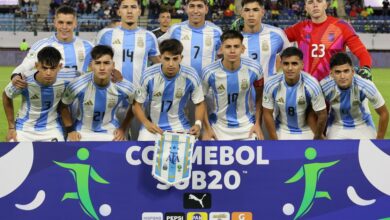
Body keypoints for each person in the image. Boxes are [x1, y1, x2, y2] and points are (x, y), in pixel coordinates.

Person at [133, 39, 205, 141]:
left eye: (175, 59)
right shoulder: (148, 75)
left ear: (181, 58)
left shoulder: (191, 75)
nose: (171, 64)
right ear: (160, 58)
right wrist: (146, 123)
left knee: (193, 150)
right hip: (153, 127)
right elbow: (136, 105)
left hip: (180, 127)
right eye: (167, 59)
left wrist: (198, 124)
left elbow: (200, 103)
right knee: (142, 150)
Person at [60, 45, 136, 141]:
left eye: (106, 63)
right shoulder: (78, 84)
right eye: (97, 63)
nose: (102, 67)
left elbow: (136, 105)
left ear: (113, 65)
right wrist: (70, 130)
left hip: (111, 130)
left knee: (119, 149)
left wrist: (123, 128)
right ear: (91, 65)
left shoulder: (124, 86)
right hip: (82, 131)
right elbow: (63, 106)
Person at [284, 0, 372, 82]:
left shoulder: (342, 27)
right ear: (306, 8)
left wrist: (366, 67)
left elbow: (362, 52)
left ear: (326, 5)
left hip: (334, 89)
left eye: (319, 1)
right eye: (310, 2)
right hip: (308, 89)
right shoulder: (299, 28)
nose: (315, 5)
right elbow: (276, 37)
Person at [202, 30, 264, 140]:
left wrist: (258, 124)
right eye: (228, 46)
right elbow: (201, 101)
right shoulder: (209, 72)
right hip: (218, 126)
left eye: (236, 46)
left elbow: (260, 97)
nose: (232, 50)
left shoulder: (255, 69)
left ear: (243, 49)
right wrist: (207, 128)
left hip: (247, 126)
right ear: (221, 49)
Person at [11, 5, 93, 89]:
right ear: (55, 23)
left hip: (78, 100)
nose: (64, 27)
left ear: (75, 24)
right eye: (61, 22)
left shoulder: (88, 47)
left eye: (69, 23)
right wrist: (15, 75)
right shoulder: (42, 45)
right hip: (51, 100)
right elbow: (26, 64)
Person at [3, 47, 66, 142]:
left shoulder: (65, 81)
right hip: (24, 129)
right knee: (12, 151)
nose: (48, 73)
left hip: (51, 130)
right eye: (44, 68)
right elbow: (6, 95)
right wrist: (11, 128)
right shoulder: (24, 80)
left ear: (60, 66)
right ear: (37, 65)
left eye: (53, 68)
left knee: (60, 155)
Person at [262, 47, 327, 140]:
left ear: (302, 65)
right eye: (286, 64)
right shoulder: (271, 83)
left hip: (306, 130)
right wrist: (274, 141)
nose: (290, 68)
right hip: (282, 129)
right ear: (281, 64)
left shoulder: (312, 85)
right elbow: (267, 113)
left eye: (294, 64)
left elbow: (322, 114)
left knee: (313, 154)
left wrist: (317, 138)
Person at [320, 53, 389, 139]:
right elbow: (311, 111)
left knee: (369, 151)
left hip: (363, 124)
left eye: (346, 71)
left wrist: (379, 141)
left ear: (352, 71)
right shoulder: (324, 86)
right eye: (338, 72)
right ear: (331, 74)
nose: (342, 76)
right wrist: (319, 135)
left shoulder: (365, 85)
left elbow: (384, 113)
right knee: (333, 151)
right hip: (337, 125)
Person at [96, 0, 160, 87]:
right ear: (119, 12)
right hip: (112, 93)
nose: (129, 11)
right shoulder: (105, 35)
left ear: (139, 11)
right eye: (125, 7)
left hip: (139, 94)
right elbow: (95, 63)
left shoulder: (149, 36)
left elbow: (159, 64)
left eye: (133, 7)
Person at [158, 0, 222, 76]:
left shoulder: (216, 31)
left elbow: (222, 56)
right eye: (192, 6)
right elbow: (158, 47)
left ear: (206, 9)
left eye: (199, 6)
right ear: (186, 9)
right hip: (181, 84)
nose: (195, 11)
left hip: (206, 84)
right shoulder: (175, 29)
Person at [240, 0, 290, 81]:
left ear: (262, 12)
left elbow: (290, 57)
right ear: (241, 13)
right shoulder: (234, 39)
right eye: (247, 10)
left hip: (269, 91)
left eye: (255, 10)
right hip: (242, 91)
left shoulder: (277, 34)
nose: (251, 14)